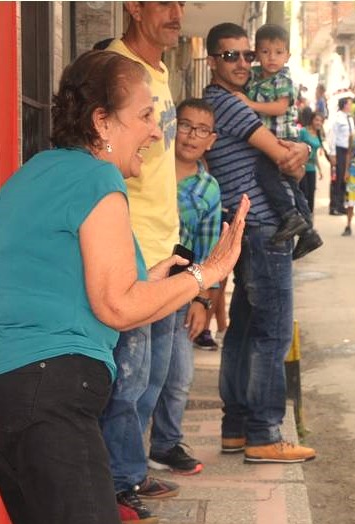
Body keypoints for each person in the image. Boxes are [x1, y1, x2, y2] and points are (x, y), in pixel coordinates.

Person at [0, 49, 247, 524]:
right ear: (101, 122)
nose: (156, 131)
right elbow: (116, 304)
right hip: (43, 387)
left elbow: (105, 291)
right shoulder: (95, 177)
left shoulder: (33, 175)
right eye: (144, 114)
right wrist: (206, 275)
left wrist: (168, 276)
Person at [202, 22, 316, 463]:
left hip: (246, 227)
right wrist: (300, 151)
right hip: (263, 228)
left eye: (246, 56)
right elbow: (283, 155)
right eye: (230, 56)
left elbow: (280, 150)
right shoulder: (227, 104)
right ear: (212, 60)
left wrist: (296, 150)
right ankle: (265, 433)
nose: (242, 64)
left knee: (245, 332)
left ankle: (236, 429)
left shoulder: (227, 103)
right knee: (272, 333)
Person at [102, 0, 187, 524]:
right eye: (164, 3)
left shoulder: (158, 71)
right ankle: (114, 484)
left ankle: (131, 468)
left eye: (181, 3)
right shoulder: (116, 71)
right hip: (131, 244)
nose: (176, 13)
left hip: (164, 243)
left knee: (152, 376)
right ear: (133, 7)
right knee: (127, 379)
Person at [147, 98, 224, 476]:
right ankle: (121, 458)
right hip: (139, 285)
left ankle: (164, 446)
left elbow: (208, 253)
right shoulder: (147, 169)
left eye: (202, 130)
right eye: (186, 125)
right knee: (137, 379)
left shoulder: (209, 190)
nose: (192, 135)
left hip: (179, 293)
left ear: (212, 139)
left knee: (178, 376)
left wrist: (201, 301)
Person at [235, 23, 322, 258]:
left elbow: (280, 106)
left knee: (266, 173)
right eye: (265, 52)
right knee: (290, 185)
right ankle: (308, 232)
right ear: (256, 53)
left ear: (288, 56)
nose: (271, 58)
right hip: (268, 137)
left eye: (278, 52)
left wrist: (249, 104)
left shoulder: (283, 79)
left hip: (282, 137)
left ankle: (290, 217)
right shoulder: (253, 76)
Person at [297, 107, 327, 219]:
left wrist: (320, 170)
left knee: (311, 195)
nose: (318, 123)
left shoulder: (318, 134)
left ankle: (309, 218)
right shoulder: (304, 132)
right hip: (302, 167)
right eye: (316, 120)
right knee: (303, 193)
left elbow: (315, 154)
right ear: (312, 120)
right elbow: (297, 147)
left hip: (312, 168)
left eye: (321, 121)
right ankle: (302, 217)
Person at [328, 96, 354, 215]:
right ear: (344, 105)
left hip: (348, 151)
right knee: (336, 178)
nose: (351, 106)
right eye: (350, 104)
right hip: (339, 151)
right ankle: (334, 205)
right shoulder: (337, 118)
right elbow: (332, 135)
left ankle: (342, 204)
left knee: (345, 177)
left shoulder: (350, 118)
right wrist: (332, 153)